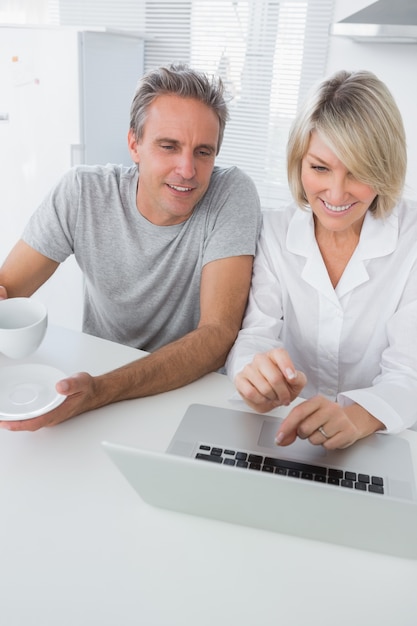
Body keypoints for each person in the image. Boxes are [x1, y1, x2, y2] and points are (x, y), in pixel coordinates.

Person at [0, 63, 261, 431]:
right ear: (134, 145)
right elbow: (8, 291)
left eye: (203, 152)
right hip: (94, 383)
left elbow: (217, 334)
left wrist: (101, 391)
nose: (187, 169)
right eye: (169, 146)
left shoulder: (230, 194)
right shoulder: (82, 193)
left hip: (186, 394)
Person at [226, 69, 417, 450]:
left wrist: (354, 417)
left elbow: (409, 373)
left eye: (358, 172)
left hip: (378, 441)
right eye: (320, 168)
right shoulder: (276, 231)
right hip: (285, 432)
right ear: (299, 162)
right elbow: (256, 335)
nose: (336, 191)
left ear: (384, 169)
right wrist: (254, 376)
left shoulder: (412, 241)